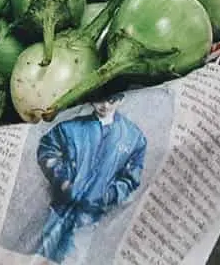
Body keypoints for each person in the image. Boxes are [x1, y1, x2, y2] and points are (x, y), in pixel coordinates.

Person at [36, 95, 147, 263]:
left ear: (121, 100)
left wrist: (107, 196)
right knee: (43, 255)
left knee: (74, 258)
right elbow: (47, 149)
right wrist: (62, 180)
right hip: (59, 210)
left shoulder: (134, 138)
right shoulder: (70, 128)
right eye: (100, 99)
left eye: (111, 100)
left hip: (90, 218)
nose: (104, 105)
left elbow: (131, 178)